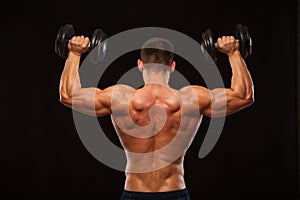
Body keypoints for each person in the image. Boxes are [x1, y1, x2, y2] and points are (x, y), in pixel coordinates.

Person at [59, 33, 254, 200]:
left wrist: (74, 54)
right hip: (174, 191)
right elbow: (244, 96)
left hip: (134, 192)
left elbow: (68, 95)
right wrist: (234, 53)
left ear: (140, 64)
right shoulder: (191, 99)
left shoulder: (120, 98)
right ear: (172, 66)